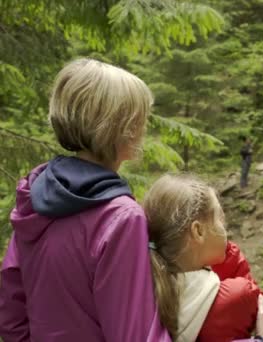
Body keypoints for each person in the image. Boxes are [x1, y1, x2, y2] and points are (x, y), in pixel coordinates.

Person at [0, 59, 171, 341]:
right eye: (140, 117)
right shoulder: (120, 217)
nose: (143, 127)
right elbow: (136, 336)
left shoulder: (34, 196)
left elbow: (11, 316)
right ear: (122, 128)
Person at [143, 173, 263, 342]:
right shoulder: (239, 296)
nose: (225, 230)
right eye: (220, 219)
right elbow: (253, 300)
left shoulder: (141, 289)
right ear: (198, 231)